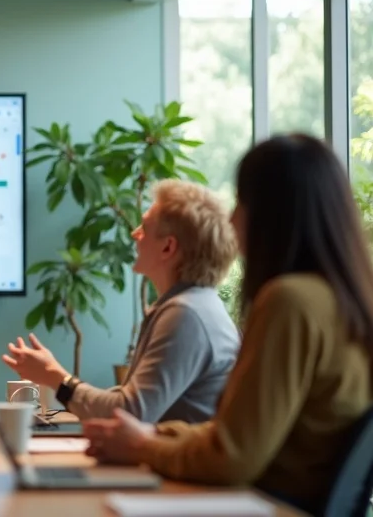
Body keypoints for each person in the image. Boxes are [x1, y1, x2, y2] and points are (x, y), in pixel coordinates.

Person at [82, 134, 373, 516]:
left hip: (267, 503)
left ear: (272, 213)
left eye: (242, 202)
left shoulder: (290, 301)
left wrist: (141, 446)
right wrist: (154, 434)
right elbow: (238, 434)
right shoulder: (343, 298)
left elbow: (232, 458)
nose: (232, 219)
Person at [1, 179, 240, 424]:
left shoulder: (186, 315)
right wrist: (57, 379)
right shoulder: (193, 306)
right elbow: (130, 402)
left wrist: (55, 376)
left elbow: (130, 413)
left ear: (168, 247)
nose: (134, 233)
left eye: (145, 227)